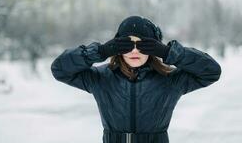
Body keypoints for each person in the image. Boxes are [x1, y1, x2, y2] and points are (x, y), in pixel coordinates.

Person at [50, 15, 222, 143]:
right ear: (117, 47)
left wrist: (168, 52)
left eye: (142, 45)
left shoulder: (170, 79)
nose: (134, 51)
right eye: (127, 44)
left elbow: (211, 71)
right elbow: (60, 69)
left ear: (153, 48)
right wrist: (100, 51)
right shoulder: (101, 77)